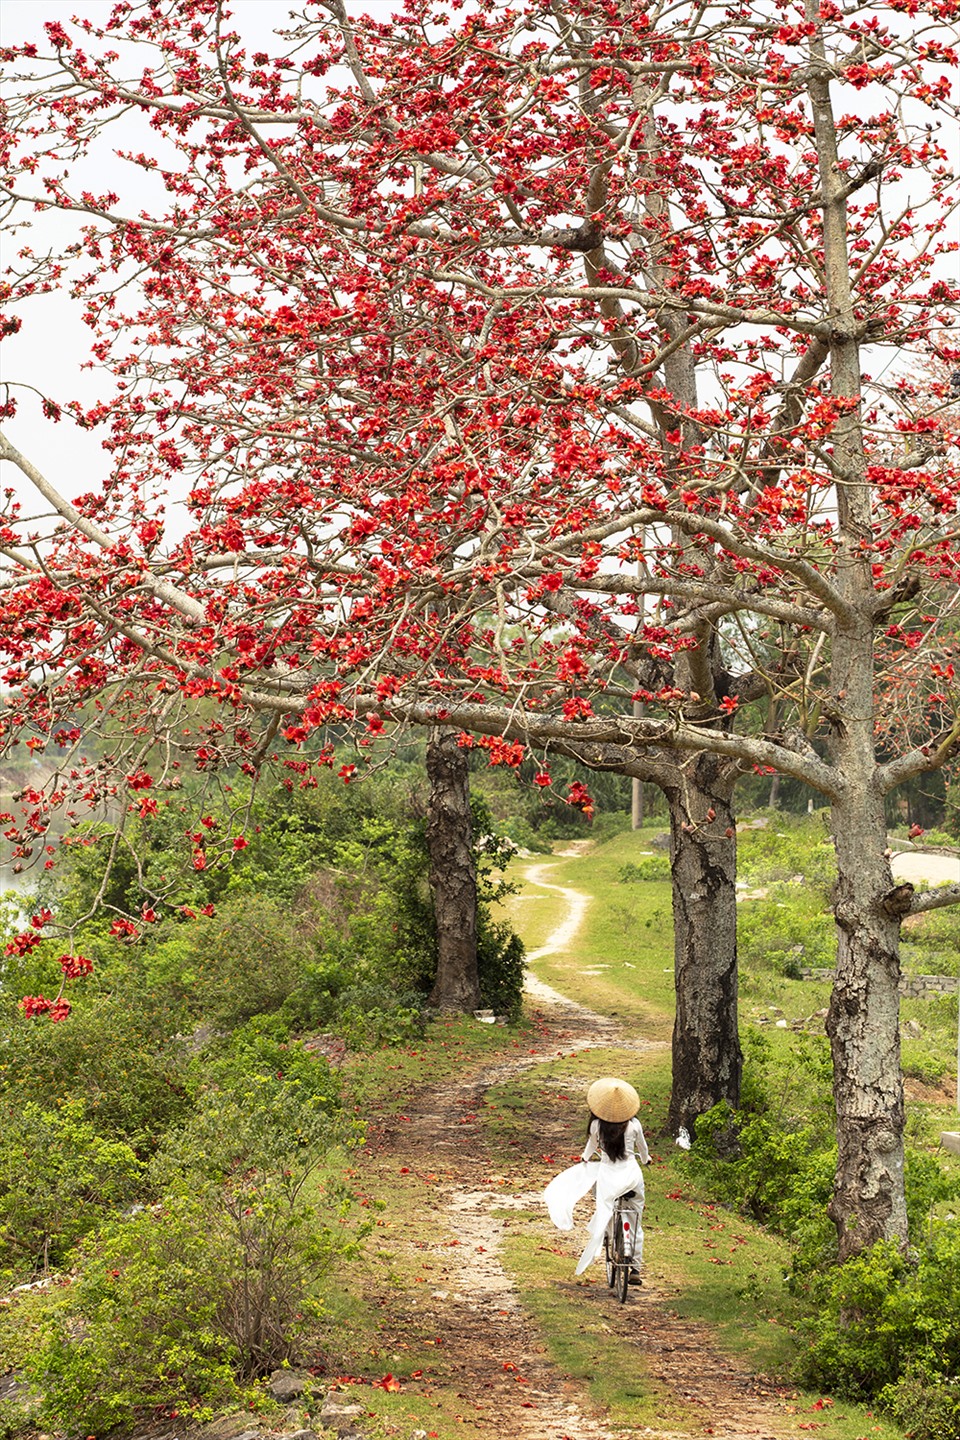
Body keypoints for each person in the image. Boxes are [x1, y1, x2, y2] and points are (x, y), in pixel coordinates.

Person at [543, 1076, 651, 1283]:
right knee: (635, 1219)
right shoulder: (634, 1125)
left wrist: (584, 1158)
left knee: (607, 1210)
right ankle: (635, 1268)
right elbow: (643, 1150)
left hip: (608, 1177)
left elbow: (590, 1149)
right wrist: (646, 1160)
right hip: (631, 1176)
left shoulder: (596, 1126)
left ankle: (612, 1243)